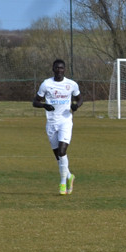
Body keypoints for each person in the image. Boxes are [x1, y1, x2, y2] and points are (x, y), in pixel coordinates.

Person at [33, 59, 82, 195]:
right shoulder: (46, 84)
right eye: (57, 68)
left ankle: (62, 183)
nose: (59, 70)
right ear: (53, 69)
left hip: (65, 121)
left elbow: (80, 99)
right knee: (58, 157)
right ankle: (69, 176)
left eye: (61, 68)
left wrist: (76, 106)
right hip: (51, 123)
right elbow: (35, 102)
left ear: (64, 69)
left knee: (62, 151)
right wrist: (44, 105)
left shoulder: (71, 84)